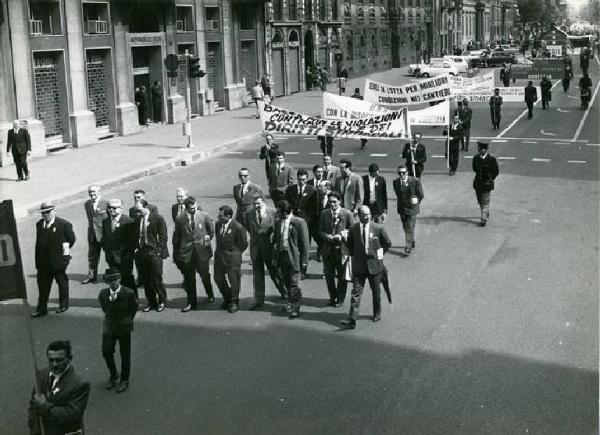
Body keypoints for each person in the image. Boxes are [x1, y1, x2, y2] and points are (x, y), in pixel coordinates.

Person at [339, 206, 392, 329]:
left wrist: (380, 254)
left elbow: (387, 243)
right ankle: (352, 319)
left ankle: (377, 312)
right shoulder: (353, 229)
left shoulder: (378, 228)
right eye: (364, 215)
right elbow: (349, 245)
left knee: (376, 291)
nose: (367, 217)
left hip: (375, 266)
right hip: (359, 267)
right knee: (356, 292)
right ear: (359, 216)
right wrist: (356, 256)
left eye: (368, 214)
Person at [28, 341, 90, 435]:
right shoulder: (41, 375)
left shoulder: (79, 384)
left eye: (59, 360)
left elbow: (72, 416)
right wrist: (34, 427)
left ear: (69, 359)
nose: (54, 364)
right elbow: (33, 405)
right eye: (51, 360)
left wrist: (45, 406)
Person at [31, 203, 76, 318]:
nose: (45, 215)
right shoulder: (39, 224)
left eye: (48, 212)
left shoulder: (63, 224)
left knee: (61, 282)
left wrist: (64, 256)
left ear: (53, 211)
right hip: (43, 262)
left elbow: (71, 239)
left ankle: (63, 305)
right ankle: (42, 309)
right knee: (43, 286)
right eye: (43, 213)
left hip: (57, 262)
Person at [172, 197, 215, 312]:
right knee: (189, 278)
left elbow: (211, 231)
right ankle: (191, 303)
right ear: (186, 209)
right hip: (187, 252)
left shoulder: (204, 215)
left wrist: (206, 239)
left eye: (195, 207)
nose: (194, 210)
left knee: (205, 275)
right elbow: (177, 236)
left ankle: (210, 294)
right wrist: (177, 253)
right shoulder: (180, 219)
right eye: (191, 209)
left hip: (202, 251)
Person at [99, 269, 138, 393]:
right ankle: (113, 373)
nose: (113, 283)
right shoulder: (103, 294)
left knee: (125, 354)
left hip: (124, 327)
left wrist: (127, 319)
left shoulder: (129, 293)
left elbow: (133, 308)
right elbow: (104, 308)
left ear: (119, 279)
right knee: (106, 351)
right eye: (110, 281)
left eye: (115, 280)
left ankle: (124, 380)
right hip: (109, 326)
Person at [244, 195, 285, 308]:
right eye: (254, 204)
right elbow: (249, 227)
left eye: (259, 204)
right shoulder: (249, 214)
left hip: (269, 247)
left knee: (274, 271)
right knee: (257, 274)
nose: (256, 206)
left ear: (264, 202)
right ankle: (258, 298)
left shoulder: (273, 212)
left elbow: (278, 228)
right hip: (256, 248)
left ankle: (284, 291)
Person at [272, 200, 309, 318]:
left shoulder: (299, 222)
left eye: (283, 214)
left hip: (294, 258)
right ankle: (290, 302)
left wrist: (304, 262)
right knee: (286, 282)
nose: (281, 216)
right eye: (279, 213)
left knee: (294, 284)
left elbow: (304, 243)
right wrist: (275, 257)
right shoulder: (278, 223)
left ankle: (295, 308)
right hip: (282, 256)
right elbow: (277, 241)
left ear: (289, 212)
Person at [133, 199, 169, 312]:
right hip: (142, 252)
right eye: (136, 211)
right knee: (146, 280)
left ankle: (162, 301)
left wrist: (158, 251)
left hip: (154, 252)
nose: (137, 213)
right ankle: (151, 302)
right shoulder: (138, 219)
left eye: (139, 210)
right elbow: (137, 235)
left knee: (156, 278)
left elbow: (163, 236)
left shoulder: (157, 218)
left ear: (146, 207)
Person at [319, 192, 354, 306]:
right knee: (329, 275)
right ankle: (332, 296)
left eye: (334, 202)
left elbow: (353, 231)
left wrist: (342, 235)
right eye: (330, 202)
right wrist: (325, 235)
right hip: (328, 249)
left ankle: (340, 298)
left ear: (339, 201)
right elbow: (320, 230)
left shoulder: (347, 214)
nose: (332, 204)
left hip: (341, 250)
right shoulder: (324, 213)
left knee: (341, 276)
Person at [214, 205, 248, 313]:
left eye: (221, 216)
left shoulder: (238, 227)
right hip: (219, 258)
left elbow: (243, 244)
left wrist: (235, 254)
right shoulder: (218, 224)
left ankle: (234, 302)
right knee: (218, 278)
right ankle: (227, 297)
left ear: (228, 216)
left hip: (232, 259)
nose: (218, 217)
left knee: (234, 281)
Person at [102, 199, 137, 297]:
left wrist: (128, 256)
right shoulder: (105, 221)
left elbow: (132, 242)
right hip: (111, 257)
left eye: (114, 208)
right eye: (109, 208)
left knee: (127, 280)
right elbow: (105, 238)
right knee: (114, 281)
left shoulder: (128, 221)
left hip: (124, 257)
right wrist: (106, 250)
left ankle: (133, 299)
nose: (111, 210)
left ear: (121, 209)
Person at [393, 165, 424, 254]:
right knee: (405, 227)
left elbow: (420, 194)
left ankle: (408, 246)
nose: (401, 174)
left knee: (409, 226)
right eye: (399, 173)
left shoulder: (415, 181)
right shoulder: (395, 182)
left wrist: (416, 202)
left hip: (412, 208)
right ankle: (411, 240)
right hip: (402, 208)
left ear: (407, 172)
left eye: (403, 172)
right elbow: (398, 194)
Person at [83, 185, 108, 284]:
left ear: (99, 191)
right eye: (90, 192)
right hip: (92, 235)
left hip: (104, 235)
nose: (92, 194)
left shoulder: (106, 203)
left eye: (94, 192)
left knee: (110, 256)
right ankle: (92, 276)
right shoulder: (87, 204)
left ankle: (113, 276)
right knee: (92, 257)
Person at [472, 142, 499, 227]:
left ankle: (483, 219)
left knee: (485, 201)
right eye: (480, 149)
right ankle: (485, 212)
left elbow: (496, 171)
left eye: (483, 149)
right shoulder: (476, 158)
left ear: (486, 150)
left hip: (487, 184)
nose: (481, 150)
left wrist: (490, 179)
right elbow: (474, 168)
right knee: (480, 201)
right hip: (478, 184)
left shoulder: (491, 159)